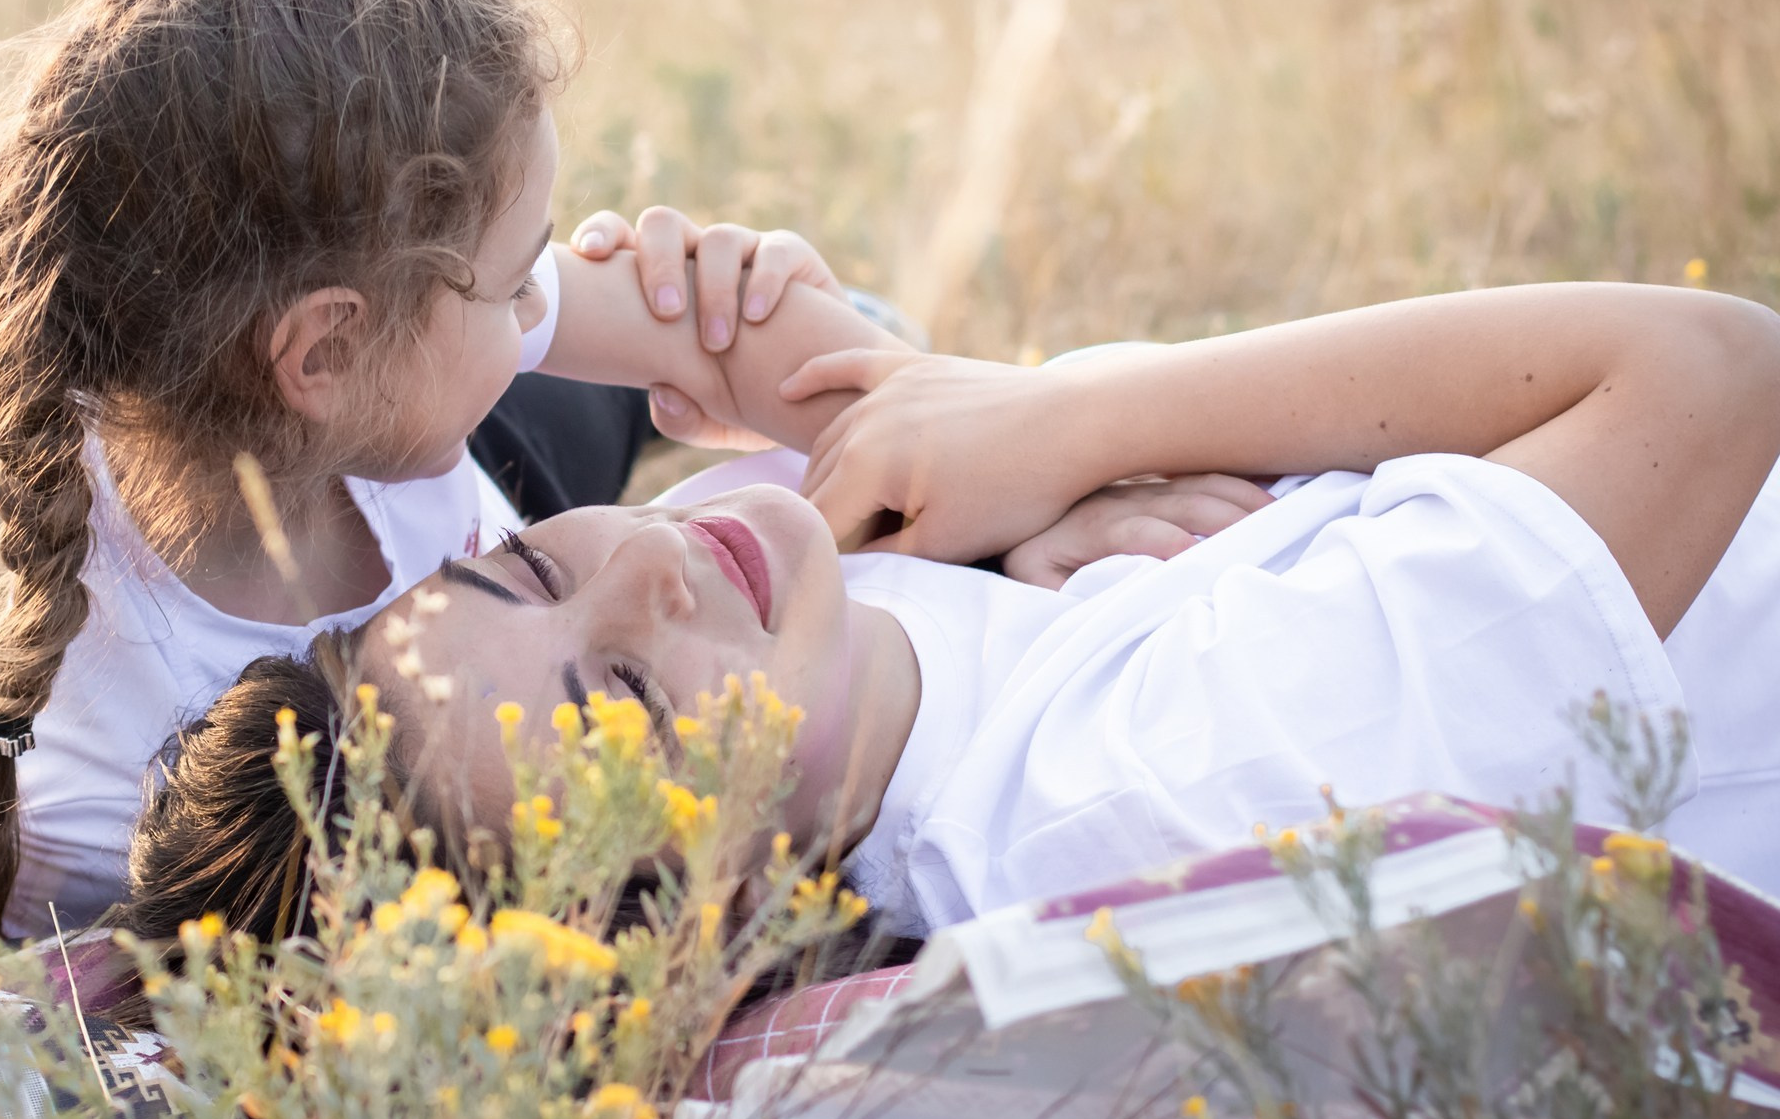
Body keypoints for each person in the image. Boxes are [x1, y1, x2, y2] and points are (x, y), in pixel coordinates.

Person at [0, 0, 1235, 936]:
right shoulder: (144, 767)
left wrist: (1025, 471)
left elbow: (720, 339)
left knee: (825, 319)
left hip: (503, 524)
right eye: (520, 264)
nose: (552, 278)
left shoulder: (340, 342)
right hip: (539, 616)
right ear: (324, 348)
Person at [124, 280, 1780, 946]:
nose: (644, 567)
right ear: (724, 910)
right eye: (620, 697)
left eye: (534, 569)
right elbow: (1709, 372)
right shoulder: (1144, 801)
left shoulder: (849, 622)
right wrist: (1089, 421)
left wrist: (1051, 497)